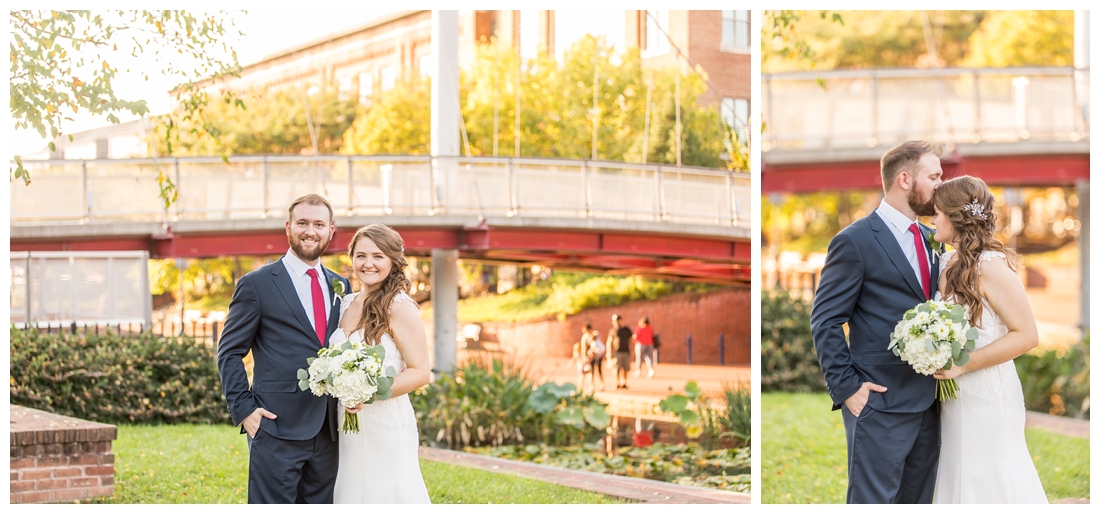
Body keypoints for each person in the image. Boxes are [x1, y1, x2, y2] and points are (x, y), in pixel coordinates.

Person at [810, 140, 944, 504]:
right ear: (904, 179)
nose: (940, 186)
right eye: (934, 177)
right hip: (878, 402)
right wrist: (849, 389)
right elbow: (825, 320)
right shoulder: (853, 241)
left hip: (930, 403)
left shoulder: (935, 240)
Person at [217, 193, 351, 503]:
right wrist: (244, 410)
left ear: (331, 231)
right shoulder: (256, 284)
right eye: (302, 223)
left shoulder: (342, 286)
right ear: (288, 227)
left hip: (329, 430)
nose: (310, 231)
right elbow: (229, 351)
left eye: (319, 224)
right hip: (276, 427)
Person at [929, 176, 1047, 503]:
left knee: (990, 476)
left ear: (957, 217)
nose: (932, 219)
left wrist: (961, 365)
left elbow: (1027, 335)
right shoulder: (945, 261)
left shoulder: (991, 266)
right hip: (953, 398)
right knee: (957, 473)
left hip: (989, 395)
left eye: (937, 212)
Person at [332, 224, 431, 503]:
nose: (368, 263)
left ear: (392, 261)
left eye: (378, 256)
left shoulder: (399, 307)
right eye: (361, 255)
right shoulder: (346, 303)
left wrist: (369, 393)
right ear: (351, 259)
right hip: (347, 420)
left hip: (385, 421)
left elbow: (421, 372)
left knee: (386, 492)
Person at [608, 314, 633, 389]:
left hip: (626, 351)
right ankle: (617, 382)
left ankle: (624, 382)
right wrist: (609, 353)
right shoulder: (613, 330)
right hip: (617, 352)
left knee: (626, 368)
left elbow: (631, 340)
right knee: (617, 368)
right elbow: (609, 342)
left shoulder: (627, 330)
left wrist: (632, 351)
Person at [582, 323, 607, 391]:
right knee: (591, 371)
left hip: (598, 355)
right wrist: (585, 357)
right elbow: (584, 348)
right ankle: (591, 386)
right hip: (590, 357)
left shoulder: (596, 334)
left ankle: (602, 384)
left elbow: (602, 343)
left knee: (599, 371)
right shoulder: (585, 337)